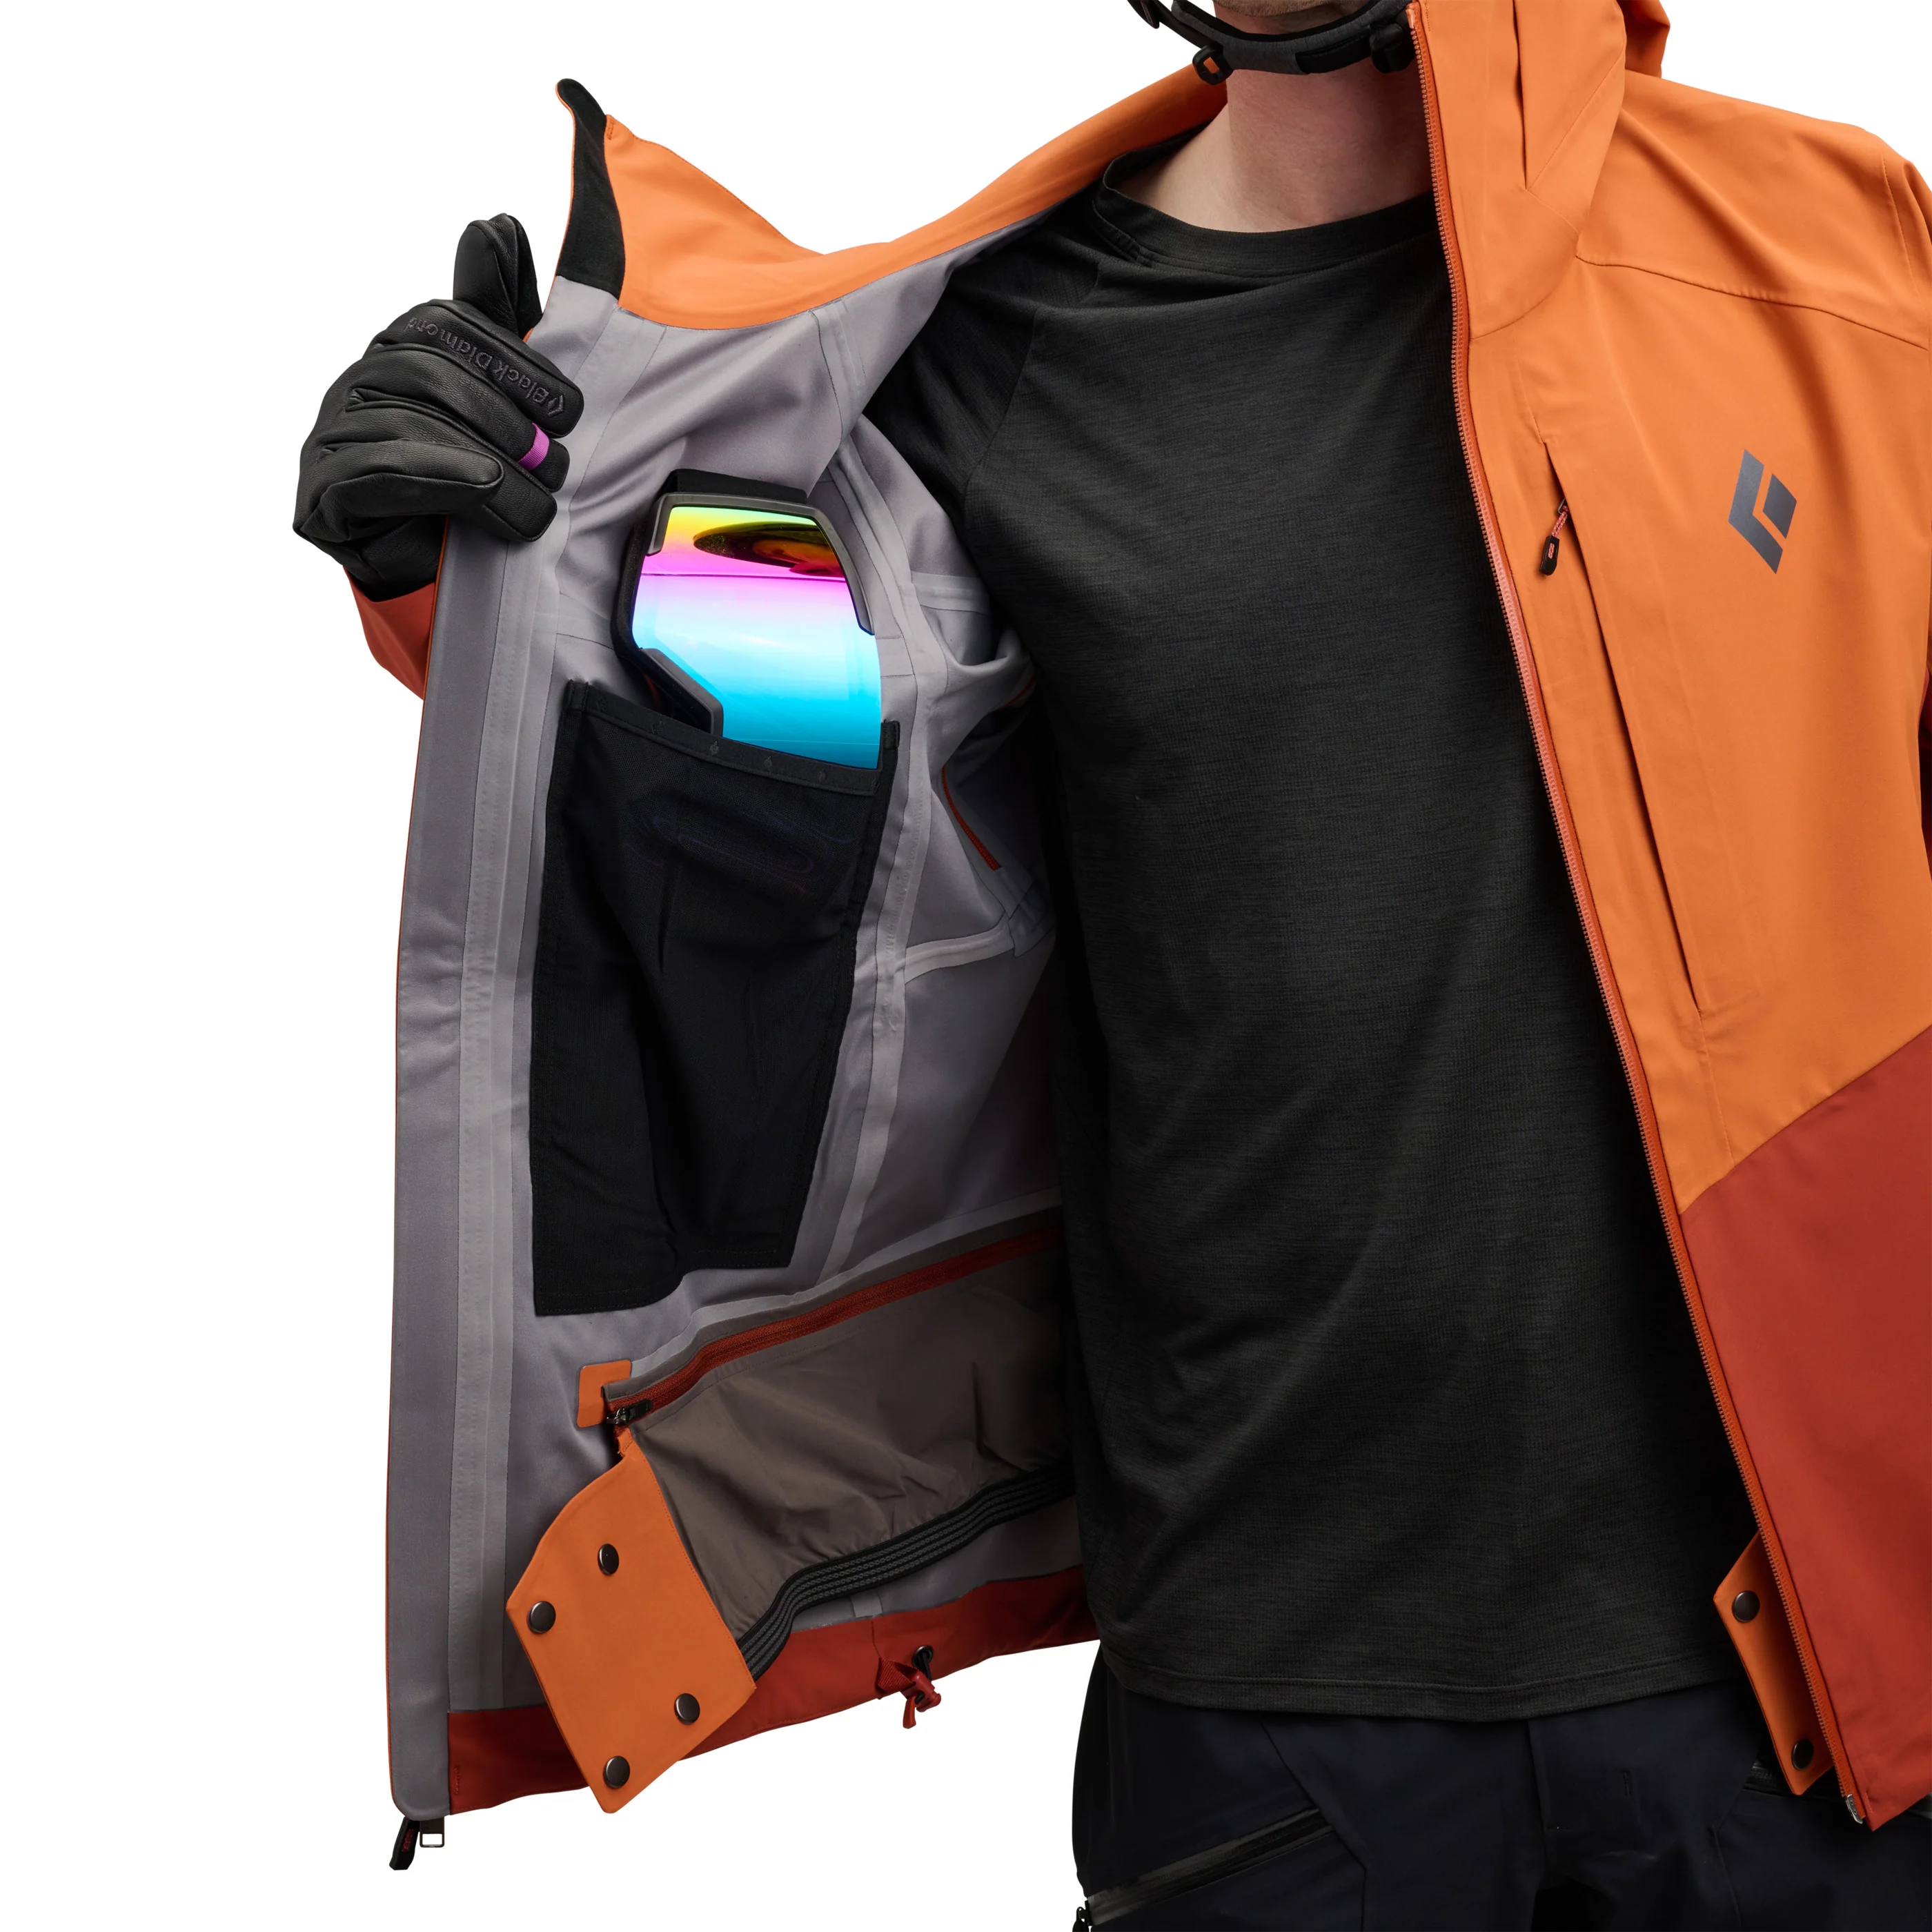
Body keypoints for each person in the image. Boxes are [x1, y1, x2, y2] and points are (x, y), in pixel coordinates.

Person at [295, 2, 1931, 1922]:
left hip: (1807, 1697)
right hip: (1262, 1737)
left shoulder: (1831, 264)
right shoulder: (995, 361)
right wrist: (472, 571)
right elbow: (744, 725)